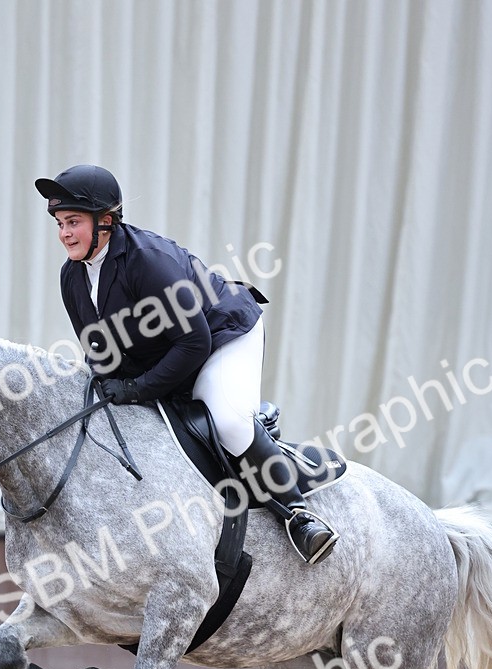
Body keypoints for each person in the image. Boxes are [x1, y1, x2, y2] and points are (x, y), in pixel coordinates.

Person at [34, 164, 338, 563]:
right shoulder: (71, 277)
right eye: (59, 223)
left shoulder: (148, 262)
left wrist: (138, 388)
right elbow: (99, 349)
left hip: (222, 336)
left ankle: (299, 516)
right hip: (171, 350)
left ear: (105, 222)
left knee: (227, 421)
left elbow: (195, 343)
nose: (64, 234)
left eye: (73, 222)